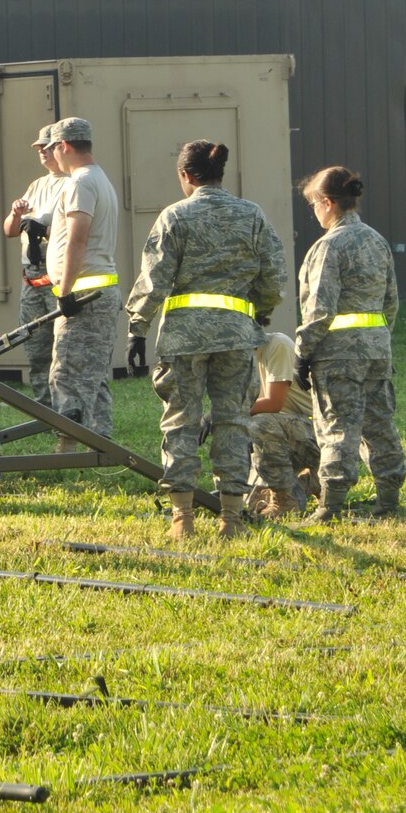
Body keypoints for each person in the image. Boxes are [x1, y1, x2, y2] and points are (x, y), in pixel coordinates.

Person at [124, 141, 286, 537]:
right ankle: (231, 519)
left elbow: (155, 278)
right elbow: (273, 274)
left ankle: (182, 519)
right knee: (232, 422)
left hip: (183, 339)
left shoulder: (175, 216)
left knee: (181, 423)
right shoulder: (252, 215)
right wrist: (261, 310)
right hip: (235, 336)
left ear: (186, 176)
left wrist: (137, 328)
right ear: (219, 174)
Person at [294, 165, 402, 522]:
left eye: (313, 205)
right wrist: (377, 338)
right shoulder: (377, 240)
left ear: (327, 202)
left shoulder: (328, 247)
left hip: (338, 354)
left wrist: (302, 353)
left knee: (337, 425)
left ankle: (331, 506)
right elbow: (391, 303)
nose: (314, 212)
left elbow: (320, 310)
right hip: (376, 349)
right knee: (379, 424)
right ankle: (388, 500)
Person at [42, 118, 124, 444]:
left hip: (83, 293)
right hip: (98, 290)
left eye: (53, 149)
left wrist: (64, 292)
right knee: (93, 376)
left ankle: (69, 450)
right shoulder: (100, 178)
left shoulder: (80, 184)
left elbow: (78, 240)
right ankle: (100, 443)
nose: (53, 157)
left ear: (64, 146)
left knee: (68, 374)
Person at [1, 127, 66, 392]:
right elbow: (9, 230)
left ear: (61, 148)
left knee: (62, 349)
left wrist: (45, 230)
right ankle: (45, 406)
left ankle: (66, 408)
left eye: (47, 147)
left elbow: (76, 231)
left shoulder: (73, 183)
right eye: (39, 148)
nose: (41, 151)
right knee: (36, 347)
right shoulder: (37, 185)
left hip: (57, 277)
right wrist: (17, 215)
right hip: (33, 280)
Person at [245, 331, 318, 518]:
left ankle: (284, 501)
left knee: (260, 424)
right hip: (289, 429)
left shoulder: (277, 344)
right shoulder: (239, 357)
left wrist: (223, 413)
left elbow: (272, 403)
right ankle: (308, 482)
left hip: (318, 431)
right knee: (251, 502)